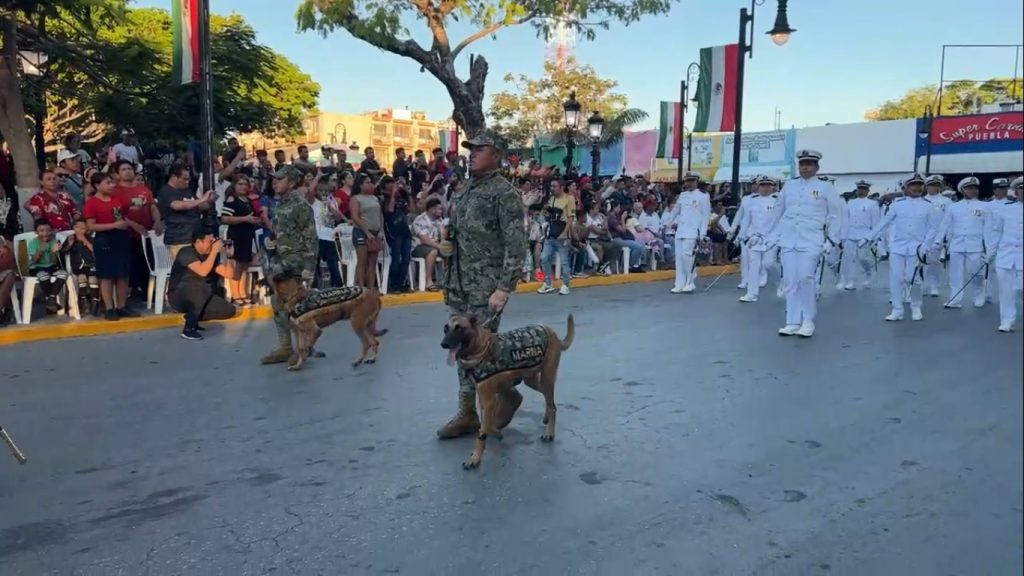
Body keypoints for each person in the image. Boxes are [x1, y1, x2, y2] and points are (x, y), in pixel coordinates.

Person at [437, 129, 527, 439]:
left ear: (496, 155)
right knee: (465, 349)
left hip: (485, 286)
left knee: (476, 350)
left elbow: (516, 244)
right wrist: (446, 243)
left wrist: (504, 287)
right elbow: (456, 229)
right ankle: (476, 408)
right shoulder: (465, 190)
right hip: (459, 282)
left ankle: (488, 404)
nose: (472, 153)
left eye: (479, 149)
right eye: (471, 149)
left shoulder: (504, 193)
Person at [766, 150, 844, 337]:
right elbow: (778, 211)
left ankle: (808, 320)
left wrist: (832, 239)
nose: (805, 167)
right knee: (790, 281)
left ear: (817, 167)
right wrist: (768, 235)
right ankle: (792, 321)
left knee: (806, 279)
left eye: (809, 164)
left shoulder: (825, 187)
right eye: (802, 164)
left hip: (811, 240)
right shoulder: (789, 186)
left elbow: (836, 214)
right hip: (788, 239)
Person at [862, 174, 940, 322]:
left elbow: (933, 228)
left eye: (919, 185)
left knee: (913, 278)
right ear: (905, 187)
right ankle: (897, 309)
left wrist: (926, 245)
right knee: (896, 278)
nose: (917, 188)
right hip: (898, 247)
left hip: (917, 248)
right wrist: (868, 237)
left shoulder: (928, 206)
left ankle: (916, 306)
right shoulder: (897, 205)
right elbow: (884, 222)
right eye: (913, 185)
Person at [261, 166, 318, 365]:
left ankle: (303, 348)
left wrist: (309, 267)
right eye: (274, 179)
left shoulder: (301, 206)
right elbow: (282, 232)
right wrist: (272, 242)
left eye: (280, 179)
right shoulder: (279, 205)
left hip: (295, 263)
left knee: (296, 308)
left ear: (292, 183)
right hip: (281, 261)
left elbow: (311, 237)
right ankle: (286, 347)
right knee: (278, 304)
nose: (275, 182)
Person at [84, 170, 146, 320]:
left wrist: (138, 210)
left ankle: (122, 306)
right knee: (107, 276)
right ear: (97, 185)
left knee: (123, 275)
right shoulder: (92, 203)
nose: (111, 185)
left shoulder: (116, 199)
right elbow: (90, 226)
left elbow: (124, 213)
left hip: (121, 238)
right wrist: (113, 225)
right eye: (108, 183)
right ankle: (109, 308)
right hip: (105, 240)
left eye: (112, 182)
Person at [168, 227, 238, 340]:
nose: (212, 245)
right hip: (178, 296)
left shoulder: (210, 255)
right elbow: (203, 271)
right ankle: (188, 329)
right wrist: (214, 252)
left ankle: (191, 317)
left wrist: (229, 256)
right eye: (209, 241)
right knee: (200, 288)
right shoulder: (186, 252)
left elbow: (230, 274)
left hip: (201, 295)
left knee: (229, 310)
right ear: (198, 241)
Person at [935, 177, 988, 309]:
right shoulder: (954, 207)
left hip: (975, 245)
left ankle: (979, 293)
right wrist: (938, 241)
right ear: (962, 190)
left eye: (975, 188)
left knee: (975, 272)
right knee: (955, 274)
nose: (973, 190)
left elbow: (988, 227)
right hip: (957, 244)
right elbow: (945, 225)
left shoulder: (984, 206)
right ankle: (955, 298)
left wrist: (988, 246)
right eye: (969, 188)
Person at [986, 177, 1023, 332]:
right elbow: (997, 232)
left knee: (1020, 289)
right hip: (1006, 255)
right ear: (1016, 192)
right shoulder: (1006, 209)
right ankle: (1007, 321)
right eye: (1021, 189)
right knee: (1006, 290)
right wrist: (990, 252)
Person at [737, 175, 782, 303]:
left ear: (773, 187)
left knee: (768, 264)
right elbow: (746, 220)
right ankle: (752, 293)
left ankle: (780, 281)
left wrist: (776, 237)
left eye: (768, 185)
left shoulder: (778, 200)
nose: (765, 188)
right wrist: (742, 235)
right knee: (754, 266)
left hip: (771, 238)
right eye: (762, 185)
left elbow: (780, 221)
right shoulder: (751, 201)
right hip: (754, 238)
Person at [157, 163, 214, 260]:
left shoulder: (187, 191)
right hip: (179, 239)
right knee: (187, 268)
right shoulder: (165, 191)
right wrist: (202, 199)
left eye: (189, 179)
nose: (187, 182)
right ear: (174, 177)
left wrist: (209, 200)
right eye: (184, 179)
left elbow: (201, 206)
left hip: (195, 238)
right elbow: (177, 205)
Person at [669, 172, 711, 293]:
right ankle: (679, 283)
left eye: (692, 180)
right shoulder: (683, 195)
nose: (690, 183)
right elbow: (675, 211)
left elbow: (705, 216)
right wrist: (666, 223)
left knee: (687, 256)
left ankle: (690, 282)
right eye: (688, 181)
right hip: (681, 230)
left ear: (697, 181)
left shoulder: (703, 196)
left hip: (693, 230)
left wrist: (703, 233)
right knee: (679, 258)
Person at [839, 180, 881, 290]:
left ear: (868, 190)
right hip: (850, 234)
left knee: (863, 258)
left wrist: (874, 238)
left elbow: (876, 222)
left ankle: (869, 272)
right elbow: (845, 221)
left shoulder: (872, 204)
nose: (861, 191)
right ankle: (850, 281)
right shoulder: (850, 203)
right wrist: (843, 237)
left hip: (865, 235)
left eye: (864, 189)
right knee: (849, 259)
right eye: (860, 188)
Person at [538, 179, 576, 295]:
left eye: (554, 186)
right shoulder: (552, 199)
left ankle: (566, 284)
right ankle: (548, 282)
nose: (552, 188)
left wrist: (565, 233)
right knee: (544, 258)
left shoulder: (569, 199)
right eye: (551, 186)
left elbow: (570, 218)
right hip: (551, 233)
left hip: (562, 233)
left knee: (564, 261)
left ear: (561, 187)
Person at [349, 173, 385, 289]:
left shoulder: (374, 198)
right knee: (362, 262)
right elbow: (355, 217)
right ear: (360, 185)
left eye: (371, 182)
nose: (370, 185)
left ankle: (371, 288)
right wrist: (366, 232)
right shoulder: (355, 199)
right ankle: (361, 288)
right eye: (367, 182)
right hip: (361, 232)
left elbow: (380, 215)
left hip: (375, 232)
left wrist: (381, 231)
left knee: (372, 263)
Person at [922, 174, 952, 296]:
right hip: (923, 235)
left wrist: (947, 237)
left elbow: (949, 221)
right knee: (922, 261)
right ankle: (922, 284)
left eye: (936, 185)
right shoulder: (922, 200)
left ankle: (934, 285)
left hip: (939, 237)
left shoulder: (946, 201)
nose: (934, 187)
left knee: (934, 263)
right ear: (926, 187)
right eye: (931, 185)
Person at [411, 197, 445, 291]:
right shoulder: (420, 220)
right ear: (432, 209)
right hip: (418, 247)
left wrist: (443, 234)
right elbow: (425, 240)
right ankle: (429, 281)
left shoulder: (439, 220)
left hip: (435, 245)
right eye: (439, 209)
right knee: (432, 251)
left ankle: (446, 280)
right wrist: (440, 246)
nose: (441, 211)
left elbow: (443, 239)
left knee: (449, 251)